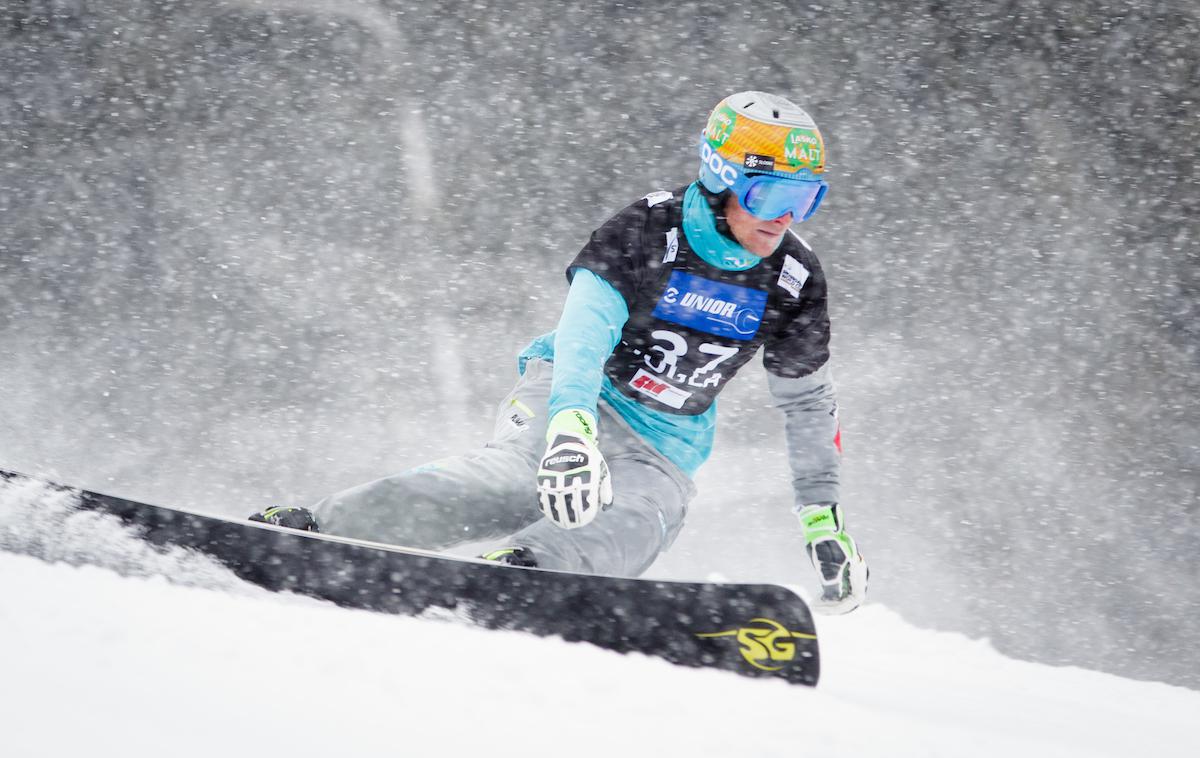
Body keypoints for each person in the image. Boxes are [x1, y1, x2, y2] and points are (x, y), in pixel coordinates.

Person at [252, 91, 868, 613]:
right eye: (768, 198)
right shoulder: (649, 231)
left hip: (665, 443)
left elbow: (808, 403)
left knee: (638, 518)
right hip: (575, 392)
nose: (784, 218)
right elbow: (583, 333)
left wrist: (822, 518)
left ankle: (523, 570)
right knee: (509, 484)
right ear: (721, 180)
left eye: (806, 199)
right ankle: (322, 528)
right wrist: (571, 427)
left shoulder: (794, 278)